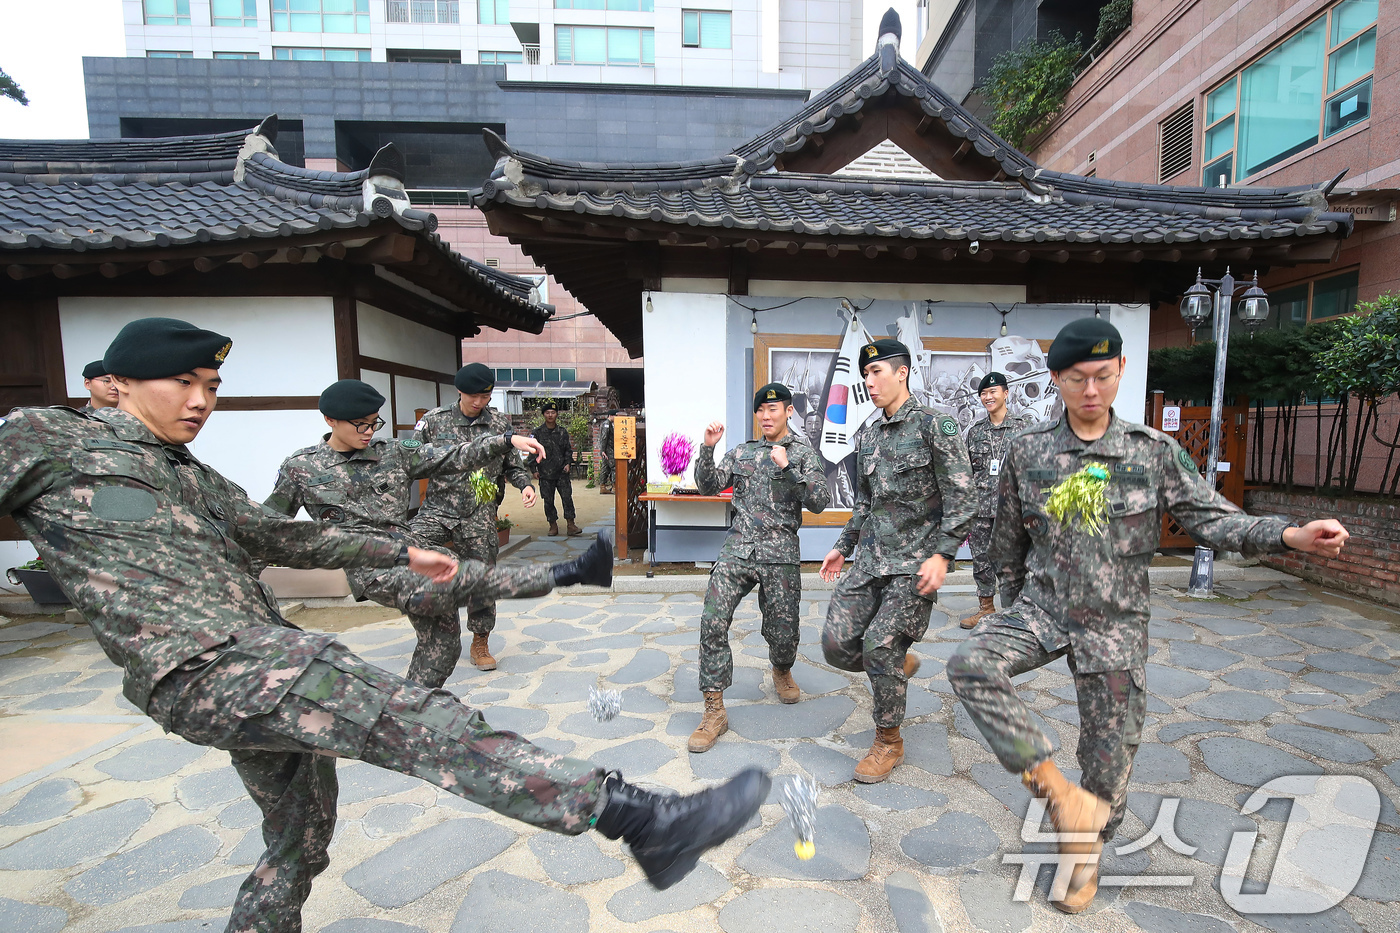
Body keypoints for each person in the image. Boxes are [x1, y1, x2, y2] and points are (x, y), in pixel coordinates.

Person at [0, 317, 771, 933]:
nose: (201, 399)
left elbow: (285, 538)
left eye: (211, 385)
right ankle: (636, 816)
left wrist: (400, 545)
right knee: (415, 713)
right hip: (205, 666)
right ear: (117, 382)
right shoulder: (50, 439)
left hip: (253, 655)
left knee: (302, 838)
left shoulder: (193, 474)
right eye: (183, 382)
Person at [947, 318, 1350, 914]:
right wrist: (1007, 600)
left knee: (1108, 764)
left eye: (1103, 377)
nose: (1091, 391)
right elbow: (1006, 537)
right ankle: (1058, 794)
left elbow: (1215, 520)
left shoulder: (1152, 453)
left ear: (1121, 373)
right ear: (1056, 380)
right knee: (971, 663)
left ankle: (1083, 848)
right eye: (1077, 379)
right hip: (1045, 607)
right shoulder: (1026, 451)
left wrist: (1289, 535)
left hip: (1115, 625)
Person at [262, 379, 599, 688]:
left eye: (374, 422)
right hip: (373, 568)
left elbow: (453, 455)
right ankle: (568, 573)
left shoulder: (391, 453)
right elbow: (265, 527)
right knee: (461, 579)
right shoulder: (302, 468)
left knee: (444, 643)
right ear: (330, 420)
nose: (369, 431)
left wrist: (506, 439)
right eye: (360, 424)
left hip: (413, 550)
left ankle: (412, 707)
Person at [819, 338, 975, 783]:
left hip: (914, 564)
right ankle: (895, 668)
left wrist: (943, 555)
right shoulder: (868, 434)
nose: (869, 382)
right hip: (870, 560)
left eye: (877, 373)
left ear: (901, 373)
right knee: (835, 645)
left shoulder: (934, 425)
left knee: (880, 643)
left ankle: (889, 741)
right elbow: (864, 506)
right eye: (865, 375)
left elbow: (963, 498)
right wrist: (843, 546)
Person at [688, 383, 831, 752]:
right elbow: (707, 486)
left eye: (774, 409)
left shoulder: (801, 453)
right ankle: (714, 709)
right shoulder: (742, 452)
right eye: (760, 411)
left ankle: (782, 669)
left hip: (779, 552)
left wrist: (788, 471)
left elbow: (819, 501)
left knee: (783, 633)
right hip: (739, 548)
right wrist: (707, 448)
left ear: (788, 412)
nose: (766, 416)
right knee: (713, 619)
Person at [411, 363, 537, 672]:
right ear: (459, 392)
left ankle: (480, 640)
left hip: (479, 510)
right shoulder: (433, 422)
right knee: (408, 551)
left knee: (482, 574)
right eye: (473, 397)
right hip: (438, 509)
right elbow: (411, 460)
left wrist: (526, 485)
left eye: (486, 396)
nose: (479, 403)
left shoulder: (498, 422)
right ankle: (432, 627)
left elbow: (512, 464)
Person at [959, 371, 1034, 629]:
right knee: (981, 560)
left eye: (993, 392)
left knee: (1013, 561)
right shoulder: (975, 432)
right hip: (981, 510)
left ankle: (1015, 612)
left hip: (1011, 511)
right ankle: (986, 609)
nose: (988, 397)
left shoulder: (1023, 428)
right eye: (983, 394)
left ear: (1006, 393)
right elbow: (966, 472)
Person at [533, 401, 581, 537]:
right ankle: (552, 525)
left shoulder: (562, 432)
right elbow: (533, 451)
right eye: (547, 413)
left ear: (557, 414)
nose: (550, 415)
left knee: (567, 498)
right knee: (548, 501)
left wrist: (567, 463)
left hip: (561, 472)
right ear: (543, 415)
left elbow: (568, 450)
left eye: (553, 413)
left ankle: (571, 524)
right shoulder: (537, 433)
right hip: (545, 473)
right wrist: (534, 469)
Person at [597, 410, 617, 493]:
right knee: (614, 467)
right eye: (615, 416)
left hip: (607, 449)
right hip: (608, 450)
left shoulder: (608, 424)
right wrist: (603, 450)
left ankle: (603, 487)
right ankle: (614, 486)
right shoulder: (607, 424)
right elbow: (604, 438)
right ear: (611, 416)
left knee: (605, 468)